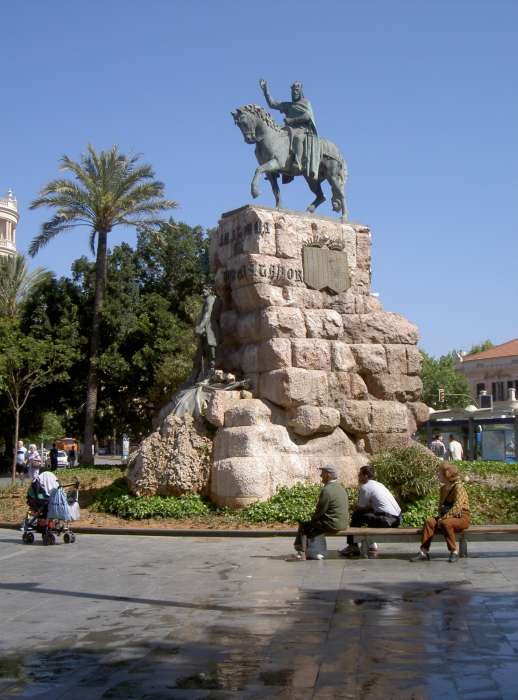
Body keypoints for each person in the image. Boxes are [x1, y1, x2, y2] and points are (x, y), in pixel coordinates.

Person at [259, 79, 320, 180]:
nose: (294, 92)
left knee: (298, 138)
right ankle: (275, 168)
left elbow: (307, 116)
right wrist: (266, 91)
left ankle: (297, 163)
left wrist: (292, 120)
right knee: (276, 138)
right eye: (293, 91)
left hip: (302, 129)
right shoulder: (289, 105)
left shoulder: (305, 103)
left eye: (296, 90)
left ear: (300, 91)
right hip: (289, 129)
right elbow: (272, 104)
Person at [411, 462, 470, 563]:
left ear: (447, 475)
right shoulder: (443, 489)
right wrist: (440, 517)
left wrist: (443, 519)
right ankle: (423, 552)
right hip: (446, 516)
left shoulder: (458, 487)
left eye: (439, 473)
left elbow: (458, 506)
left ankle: (454, 551)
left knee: (446, 523)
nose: (438, 475)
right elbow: (441, 506)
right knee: (429, 522)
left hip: (462, 517)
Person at [288, 464, 348, 561]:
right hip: (343, 523)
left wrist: (310, 520)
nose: (320, 475)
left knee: (304, 524)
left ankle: (301, 552)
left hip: (332, 524)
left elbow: (320, 511)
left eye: (322, 473)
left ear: (328, 475)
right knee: (310, 524)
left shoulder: (327, 490)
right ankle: (304, 550)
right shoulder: (341, 488)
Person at [339, 464, 401, 558]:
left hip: (387, 519)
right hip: (398, 519)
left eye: (360, 474)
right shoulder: (379, 484)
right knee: (370, 515)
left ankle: (352, 546)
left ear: (366, 476)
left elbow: (360, 508)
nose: (358, 476)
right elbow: (374, 506)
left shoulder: (365, 487)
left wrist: (350, 507)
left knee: (357, 515)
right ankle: (372, 545)